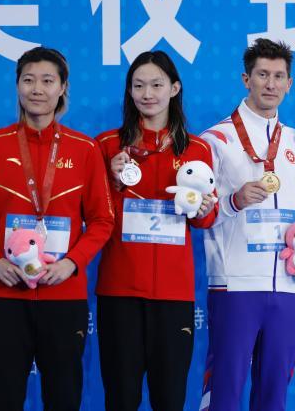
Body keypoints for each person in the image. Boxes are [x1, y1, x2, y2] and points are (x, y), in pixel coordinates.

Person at [0, 47, 114, 411]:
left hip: (63, 294)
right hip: (3, 293)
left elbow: (102, 220)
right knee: (4, 398)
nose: (37, 89)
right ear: (17, 86)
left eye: (47, 81)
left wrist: (72, 263)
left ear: (62, 88)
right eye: (29, 80)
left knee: (64, 398)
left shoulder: (85, 149)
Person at [198, 38, 295, 411]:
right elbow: (199, 213)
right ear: (245, 79)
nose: (270, 84)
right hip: (234, 284)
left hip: (288, 285)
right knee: (225, 393)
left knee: (274, 395)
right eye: (262, 74)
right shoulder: (215, 140)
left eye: (279, 76)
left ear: (289, 83)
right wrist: (233, 201)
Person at [95, 50, 218, 411]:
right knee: (121, 397)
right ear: (129, 91)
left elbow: (204, 219)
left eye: (156, 85)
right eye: (138, 86)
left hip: (173, 293)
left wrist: (204, 210)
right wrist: (112, 181)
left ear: (174, 88)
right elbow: (93, 214)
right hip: (119, 289)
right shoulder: (107, 146)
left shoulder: (197, 149)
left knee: (170, 398)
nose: (147, 94)